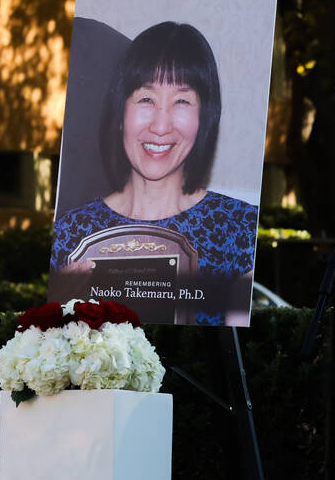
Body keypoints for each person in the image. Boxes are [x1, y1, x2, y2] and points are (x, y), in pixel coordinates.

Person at [49, 21, 256, 325]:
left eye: (182, 101)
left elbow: (245, 359)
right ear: (120, 112)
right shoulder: (68, 234)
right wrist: (56, 313)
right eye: (146, 99)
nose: (160, 126)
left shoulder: (242, 231)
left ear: (204, 118)